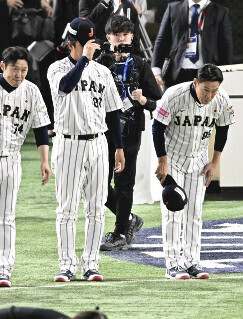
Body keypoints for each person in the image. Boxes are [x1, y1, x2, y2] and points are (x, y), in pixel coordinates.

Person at [47, 17, 125, 282]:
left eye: (95, 41)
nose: (94, 45)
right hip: (68, 144)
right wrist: (84, 61)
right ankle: (67, 266)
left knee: (96, 208)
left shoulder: (102, 72)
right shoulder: (56, 68)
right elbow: (66, 86)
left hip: (98, 144)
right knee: (67, 209)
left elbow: (113, 111)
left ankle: (91, 264)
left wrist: (119, 147)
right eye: (87, 41)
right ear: (72, 44)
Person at [152, 63, 235, 279]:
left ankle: (192, 262)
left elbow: (223, 129)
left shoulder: (222, 98)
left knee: (195, 212)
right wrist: (162, 161)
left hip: (199, 161)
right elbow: (157, 127)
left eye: (214, 90)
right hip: (173, 159)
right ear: (196, 82)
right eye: (206, 89)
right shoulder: (174, 94)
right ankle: (172, 264)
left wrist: (214, 162)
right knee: (173, 211)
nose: (210, 95)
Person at [98, 15, 162, 251]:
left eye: (125, 35)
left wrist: (144, 100)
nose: (121, 39)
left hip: (131, 130)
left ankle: (120, 233)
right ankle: (129, 219)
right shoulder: (101, 62)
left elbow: (158, 101)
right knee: (98, 184)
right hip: (102, 131)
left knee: (125, 183)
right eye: (117, 36)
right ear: (108, 38)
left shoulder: (140, 63)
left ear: (132, 37)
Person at [0, 46, 51, 288]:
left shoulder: (32, 91)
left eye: (24, 70)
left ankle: (3, 269)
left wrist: (44, 160)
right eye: (14, 70)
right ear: (2, 67)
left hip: (11, 159)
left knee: (6, 217)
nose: (19, 75)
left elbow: (41, 128)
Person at [151, 0, 233, 87]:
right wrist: (156, 69)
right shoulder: (173, 8)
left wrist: (225, 71)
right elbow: (162, 40)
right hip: (177, 71)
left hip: (207, 73)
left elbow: (226, 45)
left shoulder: (220, 11)